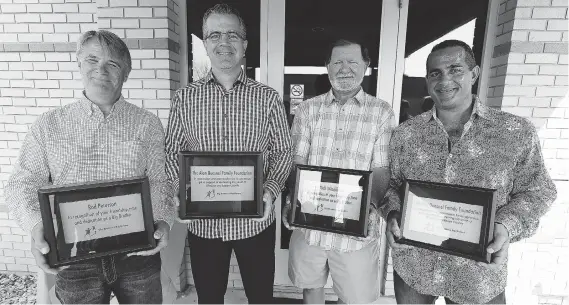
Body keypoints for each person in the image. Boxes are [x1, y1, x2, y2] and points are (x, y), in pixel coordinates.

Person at [381, 39, 557, 304]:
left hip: (478, 274)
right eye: (435, 73)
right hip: (415, 266)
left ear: (473, 74)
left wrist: (505, 226)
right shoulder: (406, 134)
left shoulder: (514, 132)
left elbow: (539, 191)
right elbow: (393, 185)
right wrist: (393, 213)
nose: (444, 80)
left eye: (455, 69)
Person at [5, 30, 174, 304]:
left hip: (136, 256)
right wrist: (37, 226)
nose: (101, 70)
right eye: (92, 60)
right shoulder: (49, 125)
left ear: (126, 73)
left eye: (113, 64)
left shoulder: (148, 123)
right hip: (75, 261)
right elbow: (21, 184)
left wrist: (164, 220)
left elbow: (157, 180)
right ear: (79, 64)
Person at [164, 3, 293, 304]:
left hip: (255, 221)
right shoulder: (184, 99)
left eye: (233, 35)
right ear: (205, 43)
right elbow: (171, 153)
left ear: (245, 44)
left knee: (261, 297)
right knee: (209, 297)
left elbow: (284, 151)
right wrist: (179, 193)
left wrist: (271, 190)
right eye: (215, 35)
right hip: (204, 225)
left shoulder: (268, 98)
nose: (224, 42)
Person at [283, 39, 396, 304]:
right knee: (310, 287)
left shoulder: (381, 112)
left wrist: (369, 208)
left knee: (354, 298)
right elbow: (296, 160)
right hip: (310, 223)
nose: (345, 68)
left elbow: (381, 170)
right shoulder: (309, 109)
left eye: (353, 61)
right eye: (337, 62)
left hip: (354, 229)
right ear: (327, 66)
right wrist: (292, 199)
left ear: (366, 66)